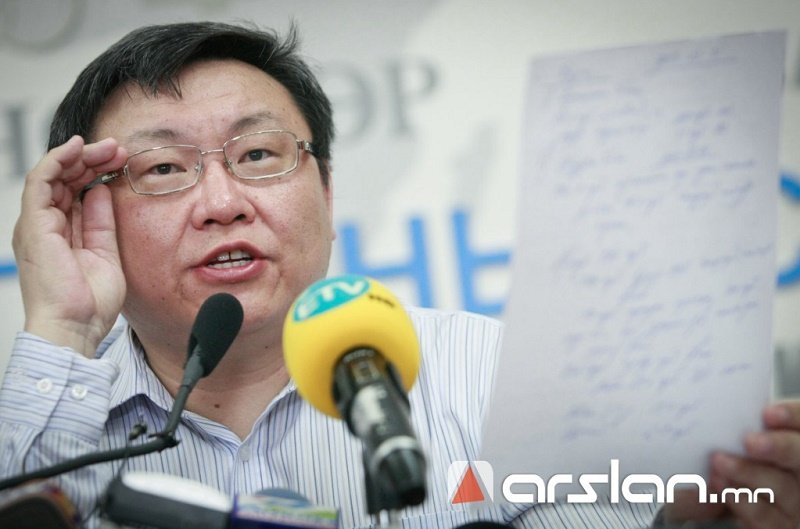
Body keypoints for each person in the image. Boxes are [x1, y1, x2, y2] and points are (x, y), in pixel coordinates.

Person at [0, 20, 798, 529]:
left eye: (259, 155)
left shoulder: (499, 380)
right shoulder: (51, 420)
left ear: (327, 192)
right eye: (165, 168)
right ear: (90, 215)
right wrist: (65, 328)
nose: (222, 202)